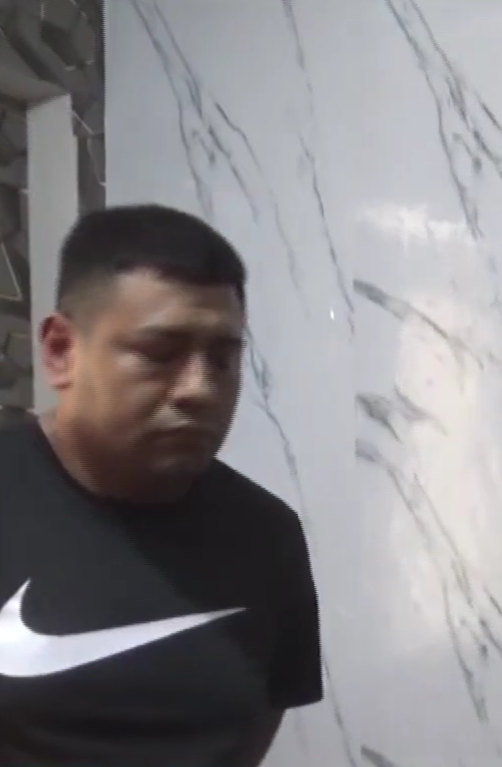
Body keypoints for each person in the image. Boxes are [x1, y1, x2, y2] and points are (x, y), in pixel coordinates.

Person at [0, 205, 322, 766]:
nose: (199, 388)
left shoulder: (268, 535)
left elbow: (251, 732)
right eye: (159, 353)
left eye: (222, 359)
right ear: (60, 351)